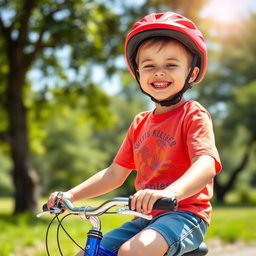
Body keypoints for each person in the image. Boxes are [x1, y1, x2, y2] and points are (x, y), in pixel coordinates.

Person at [47, 12, 222, 256]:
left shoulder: (193, 114)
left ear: (191, 73)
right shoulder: (140, 123)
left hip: (185, 215)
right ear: (138, 73)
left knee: (133, 252)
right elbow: (114, 174)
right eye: (149, 66)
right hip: (145, 217)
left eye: (171, 65)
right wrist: (71, 195)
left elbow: (205, 164)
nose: (159, 72)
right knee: (87, 254)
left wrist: (170, 192)